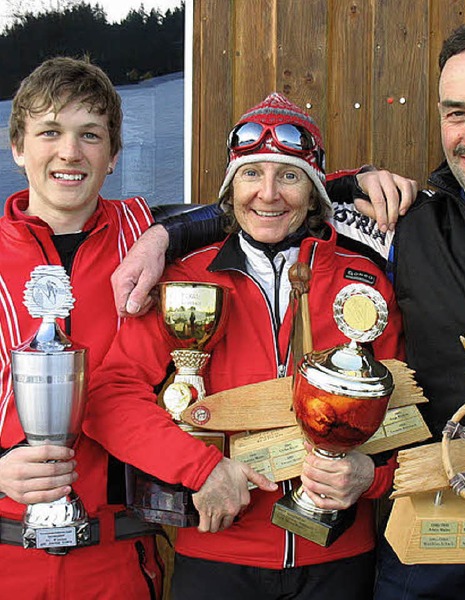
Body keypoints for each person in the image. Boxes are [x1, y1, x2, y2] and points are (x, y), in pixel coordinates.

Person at [111, 18, 465, 600]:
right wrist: (166, 233)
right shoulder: (396, 227)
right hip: (424, 539)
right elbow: (279, 206)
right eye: (457, 112)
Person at [83, 92, 405, 600]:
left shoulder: (362, 283)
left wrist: (371, 476)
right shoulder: (185, 280)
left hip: (339, 560)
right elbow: (108, 398)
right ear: (230, 190)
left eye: (290, 176)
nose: (269, 194)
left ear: (315, 191)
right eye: (252, 175)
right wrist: (199, 467)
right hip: (217, 555)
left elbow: (402, 403)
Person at [0, 56, 168, 599]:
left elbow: (262, 200)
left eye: (89, 135)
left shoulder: (146, 231)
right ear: (17, 147)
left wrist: (359, 182)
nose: (70, 152)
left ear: (114, 155)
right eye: (50, 131)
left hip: (116, 554)